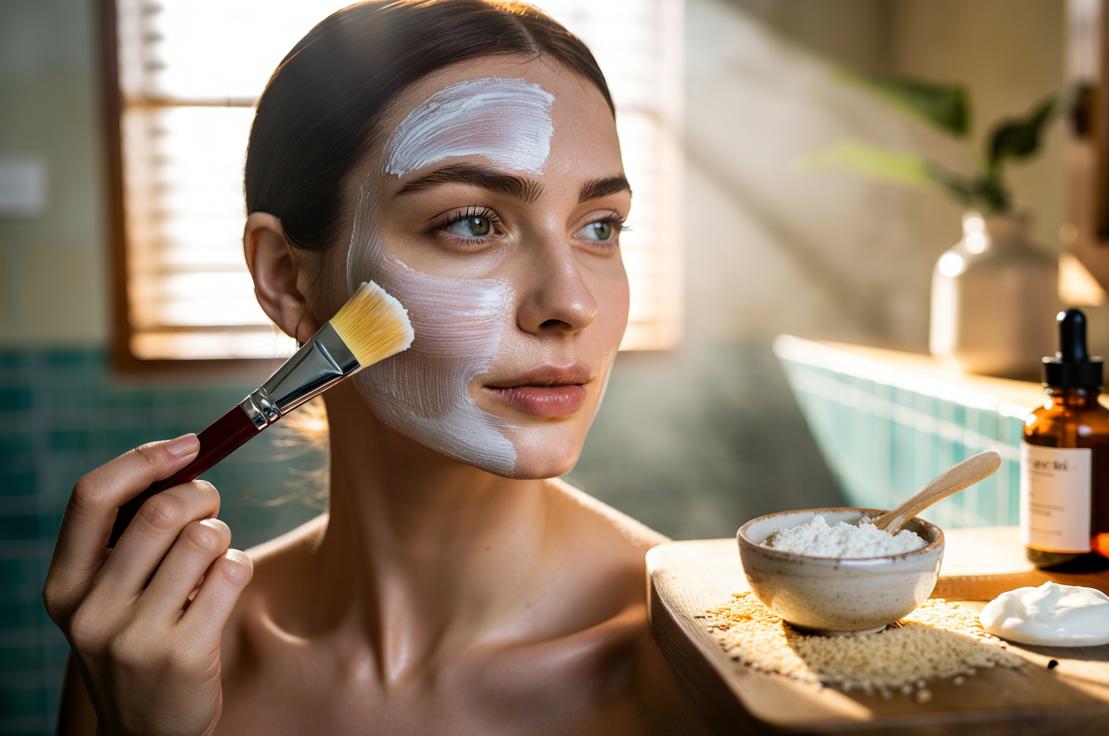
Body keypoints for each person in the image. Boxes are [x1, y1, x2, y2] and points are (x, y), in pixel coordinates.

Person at [43, 1, 710, 733]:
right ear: (287, 278)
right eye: (473, 223)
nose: (572, 303)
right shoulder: (149, 657)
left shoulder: (709, 658)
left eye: (600, 227)